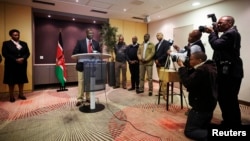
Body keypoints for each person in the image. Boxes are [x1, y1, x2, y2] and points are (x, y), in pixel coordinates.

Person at [204, 16, 244, 128]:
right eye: (218, 23)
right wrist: (215, 32)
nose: (219, 25)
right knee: (224, 98)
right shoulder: (230, 33)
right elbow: (218, 45)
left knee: (229, 99)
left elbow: (216, 45)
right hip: (227, 72)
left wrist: (212, 32)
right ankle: (229, 122)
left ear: (230, 23)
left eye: (221, 23)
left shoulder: (231, 33)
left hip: (230, 73)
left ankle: (234, 124)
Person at [177, 52, 217, 141]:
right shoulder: (210, 66)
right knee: (203, 126)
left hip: (200, 107)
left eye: (191, 59)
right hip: (209, 106)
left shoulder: (202, 70)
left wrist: (181, 67)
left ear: (199, 60)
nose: (189, 61)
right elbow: (195, 79)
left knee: (189, 131)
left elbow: (188, 83)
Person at [72, 28, 101, 106]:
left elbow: (99, 53)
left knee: (89, 82)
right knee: (81, 82)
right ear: (86, 33)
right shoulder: (80, 42)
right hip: (81, 65)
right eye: (90, 33)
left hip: (91, 66)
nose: (91, 35)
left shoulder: (96, 43)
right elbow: (74, 52)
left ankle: (88, 98)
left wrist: (96, 53)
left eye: (92, 33)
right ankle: (80, 99)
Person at [2, 29, 30, 102]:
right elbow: (5, 54)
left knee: (21, 80)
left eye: (18, 34)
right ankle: (11, 96)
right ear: (11, 35)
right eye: (15, 35)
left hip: (22, 65)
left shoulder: (24, 43)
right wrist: (15, 59)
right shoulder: (6, 43)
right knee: (11, 81)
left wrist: (23, 58)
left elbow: (27, 53)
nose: (17, 36)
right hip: (11, 65)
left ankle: (21, 94)